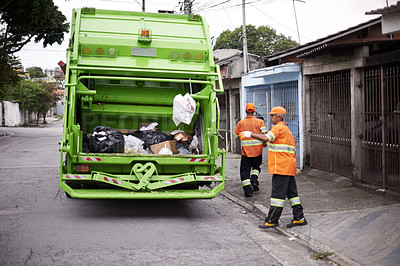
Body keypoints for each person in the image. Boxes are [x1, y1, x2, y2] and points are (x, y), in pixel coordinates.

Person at [239, 106, 307, 228]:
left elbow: (266, 137)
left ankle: (272, 220)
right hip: (288, 167)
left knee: (277, 195)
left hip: (281, 167)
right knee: (292, 194)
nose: (270, 117)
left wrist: (250, 134)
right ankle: (299, 217)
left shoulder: (278, 128)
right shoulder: (284, 128)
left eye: (272, 115)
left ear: (279, 116)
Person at [234, 103, 267, 197]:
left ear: (246, 111)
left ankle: (248, 191)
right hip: (258, 151)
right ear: (254, 111)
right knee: (256, 167)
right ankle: (254, 179)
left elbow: (235, 135)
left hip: (246, 152)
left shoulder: (241, 123)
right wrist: (264, 143)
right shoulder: (260, 122)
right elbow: (265, 134)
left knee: (245, 171)